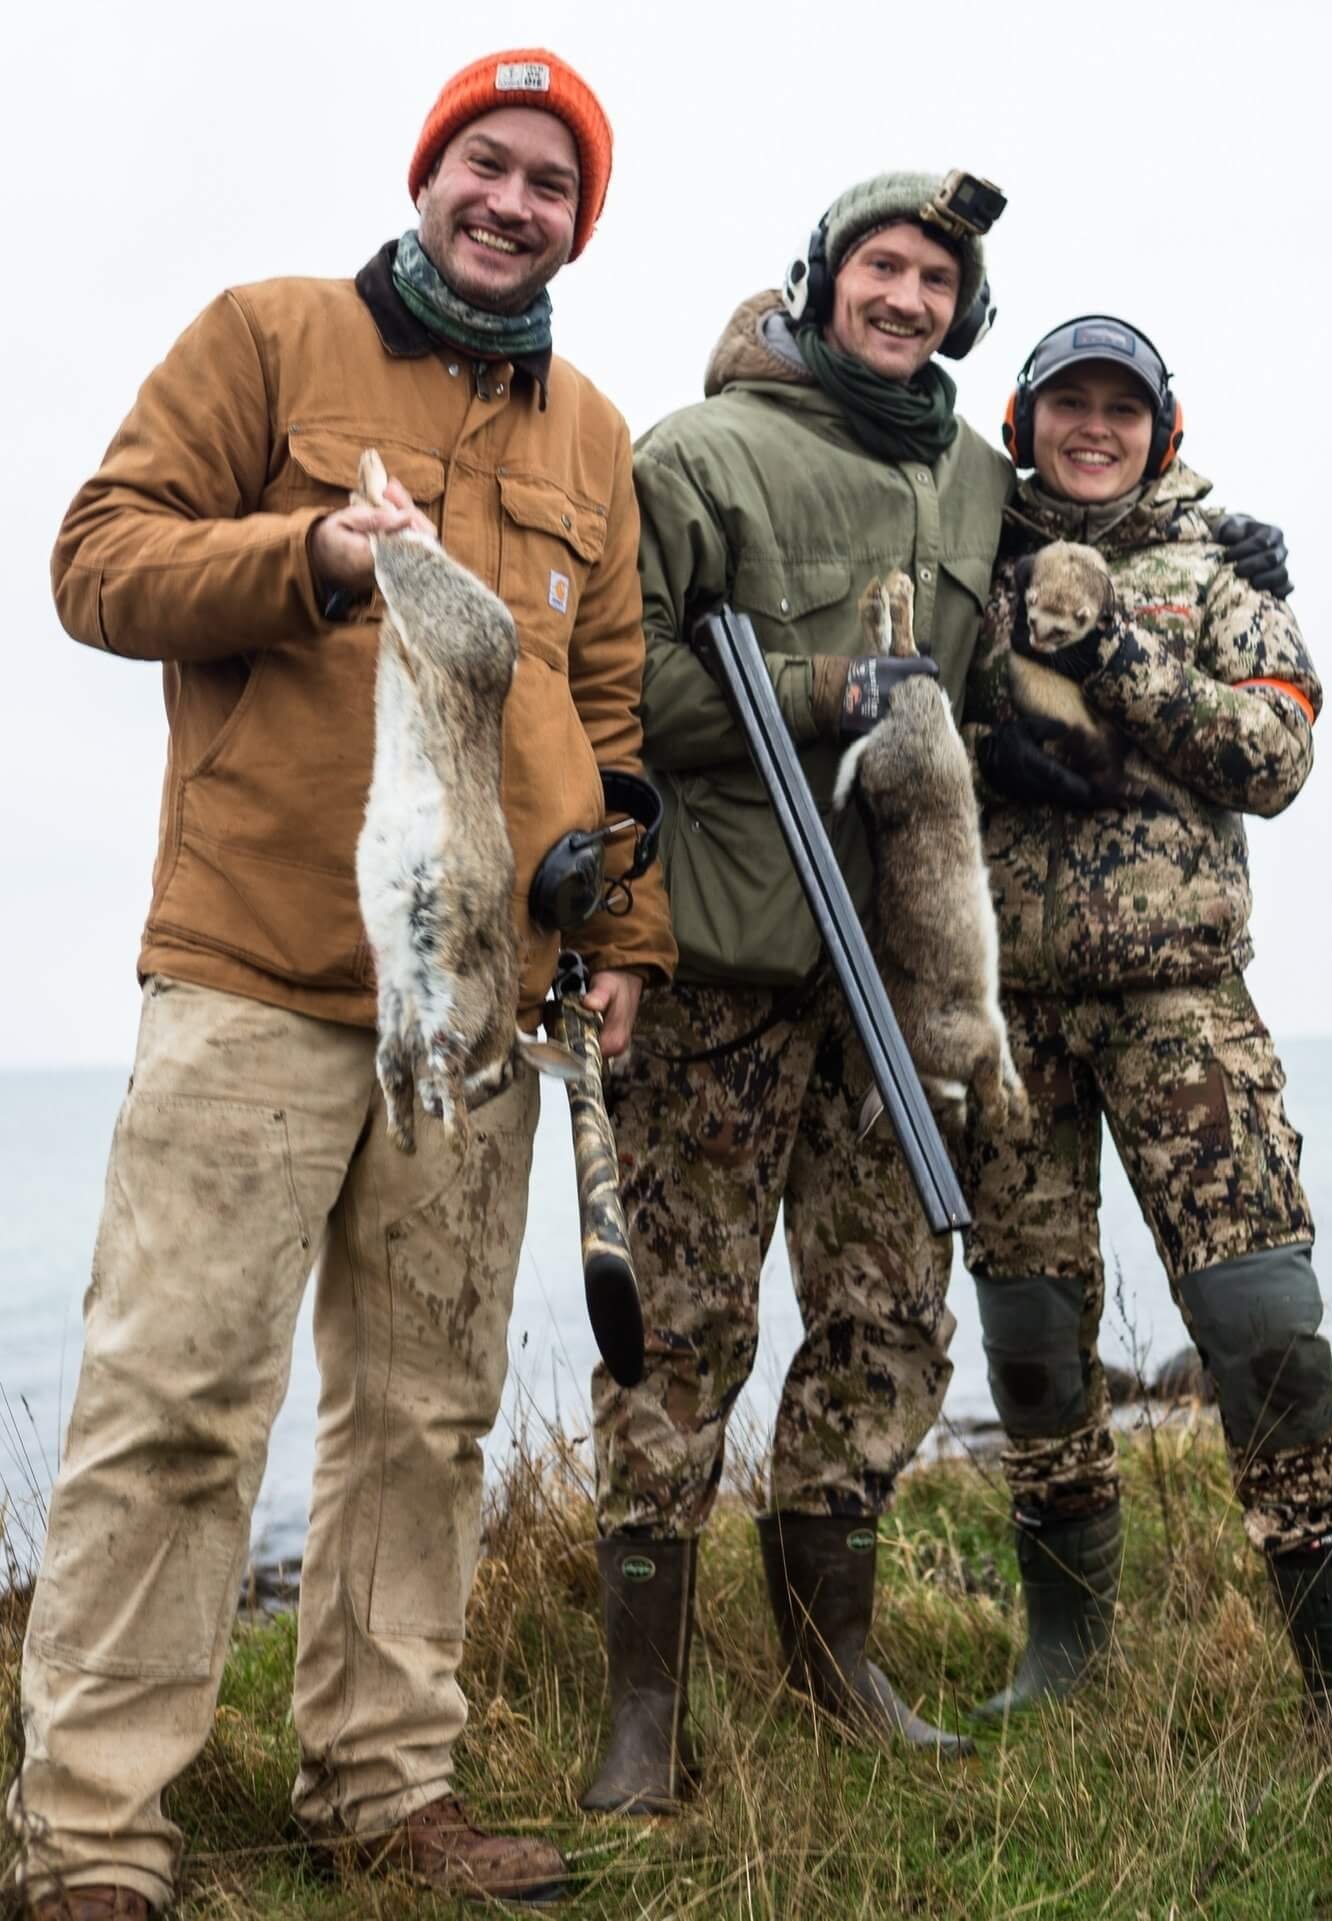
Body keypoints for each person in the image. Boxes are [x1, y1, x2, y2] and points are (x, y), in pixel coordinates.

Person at [8, 49, 675, 1918]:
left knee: (424, 1411)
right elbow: (95, 559)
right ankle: (90, 1836)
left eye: (554, 181)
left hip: (483, 1005)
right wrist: (305, 551)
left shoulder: (596, 437)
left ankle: (383, 1786)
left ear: (578, 220)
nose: (514, 199)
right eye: (489, 160)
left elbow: (606, 717)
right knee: (176, 1400)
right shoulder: (268, 336)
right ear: (431, 167)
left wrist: (620, 939)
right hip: (255, 968)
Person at [579, 170, 1018, 1814]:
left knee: (890, 1317)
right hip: (726, 960)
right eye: (881, 268)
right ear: (825, 281)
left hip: (894, 988)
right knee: (681, 1335)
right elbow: (601, 672)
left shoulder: (975, 480)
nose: (906, 299)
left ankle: (839, 1673)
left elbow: (1067, 562)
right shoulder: (705, 456)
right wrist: (820, 686)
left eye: (936, 281)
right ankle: (641, 1717)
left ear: (963, 313)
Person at [960, 313, 1332, 1769]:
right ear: (1022, 416)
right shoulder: (967, 556)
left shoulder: (1225, 572)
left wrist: (1112, 655)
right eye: (1066, 404)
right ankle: (1062, 1654)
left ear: (1162, 422)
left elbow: (1271, 755)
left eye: (1121, 406)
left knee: (1264, 1330)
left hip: (1183, 1013)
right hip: (1005, 1018)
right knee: (1032, 1343)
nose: (1092, 427)